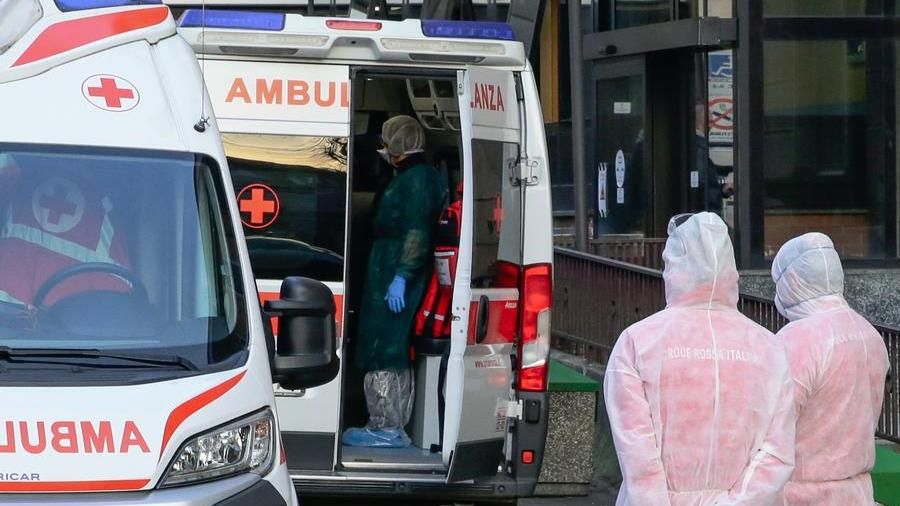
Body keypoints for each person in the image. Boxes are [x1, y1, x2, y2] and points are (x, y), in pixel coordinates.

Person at [604, 212, 796, 505]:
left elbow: (637, 452)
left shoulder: (638, 342)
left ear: (674, 266)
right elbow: (777, 452)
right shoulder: (769, 348)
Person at [342, 115, 447, 449]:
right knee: (389, 345)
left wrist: (401, 276)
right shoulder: (412, 177)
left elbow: (417, 232)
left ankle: (386, 427)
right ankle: (388, 425)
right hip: (387, 271)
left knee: (384, 347)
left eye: (387, 143)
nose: (383, 149)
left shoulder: (417, 182)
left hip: (395, 274)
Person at [771, 233, 890, 505]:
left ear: (792, 281)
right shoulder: (869, 334)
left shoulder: (797, 339)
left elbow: (770, 427)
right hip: (857, 491)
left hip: (800, 494)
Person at [0, 153, 131, 308]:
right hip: (71, 319)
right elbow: (120, 300)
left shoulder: (17, 180)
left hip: (10, 315)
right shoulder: (107, 209)